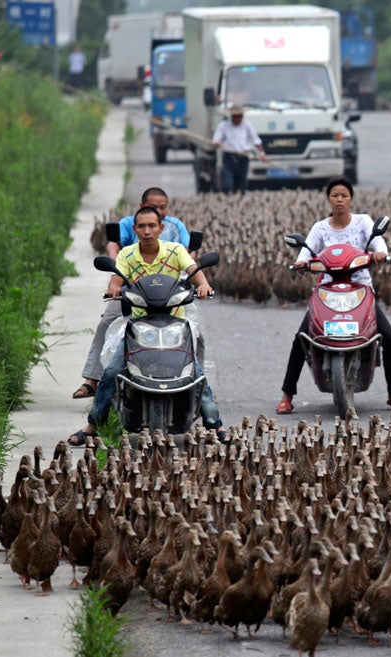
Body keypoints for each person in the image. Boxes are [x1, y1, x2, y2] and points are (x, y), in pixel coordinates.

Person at [68, 207, 222, 446]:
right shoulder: (127, 255)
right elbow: (116, 278)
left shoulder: (176, 250)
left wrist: (203, 285)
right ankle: (92, 424)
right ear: (135, 229)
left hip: (174, 321)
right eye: (142, 227)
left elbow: (194, 271)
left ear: (161, 228)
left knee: (196, 373)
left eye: (152, 226)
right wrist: (114, 288)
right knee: (111, 372)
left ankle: (215, 424)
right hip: (138, 322)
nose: (147, 231)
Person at [277, 177, 391, 414]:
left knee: (389, 338)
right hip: (327, 290)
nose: (339, 200)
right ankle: (287, 395)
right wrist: (300, 263)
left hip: (360, 289)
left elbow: (379, 244)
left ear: (351, 199)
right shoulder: (320, 228)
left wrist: (380, 254)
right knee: (301, 338)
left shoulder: (363, 222)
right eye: (335, 196)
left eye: (344, 196)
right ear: (328, 199)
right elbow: (305, 251)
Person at [72, 187, 191, 399]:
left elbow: (189, 253)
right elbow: (113, 246)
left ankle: (196, 381)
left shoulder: (176, 227)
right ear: (141, 209)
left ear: (161, 227)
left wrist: (197, 281)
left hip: (168, 292)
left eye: (162, 207)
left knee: (193, 332)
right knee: (108, 321)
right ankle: (93, 378)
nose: (148, 230)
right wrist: (116, 277)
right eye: (152, 207)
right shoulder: (128, 226)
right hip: (133, 291)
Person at [212, 104, 267, 195]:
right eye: (235, 116)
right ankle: (226, 199)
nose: (237, 119)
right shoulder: (224, 125)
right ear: (232, 116)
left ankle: (238, 199)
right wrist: (217, 143)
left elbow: (256, 140)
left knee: (241, 185)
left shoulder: (247, 125)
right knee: (227, 184)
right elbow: (216, 140)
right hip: (229, 157)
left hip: (243, 157)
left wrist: (262, 153)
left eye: (239, 116)